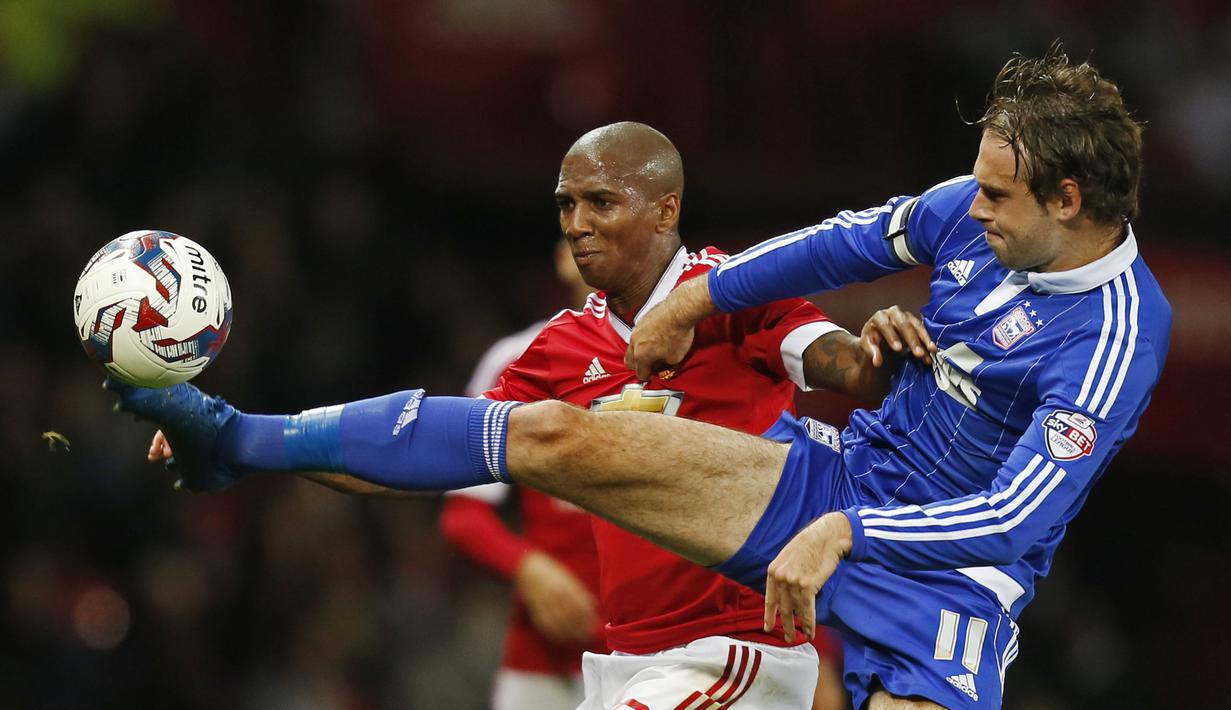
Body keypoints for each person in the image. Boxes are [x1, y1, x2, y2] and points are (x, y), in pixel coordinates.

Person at [107, 48, 1166, 709]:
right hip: (844, 477)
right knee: (558, 434)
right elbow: (838, 245)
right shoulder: (972, 213)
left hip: (947, 577)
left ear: (1069, 199)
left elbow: (1014, 507)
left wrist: (850, 533)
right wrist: (696, 301)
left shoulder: (1117, 335)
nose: (968, 210)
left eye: (994, 196)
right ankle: (230, 435)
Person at [439, 237, 607, 710]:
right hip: (543, 658)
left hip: (654, 652)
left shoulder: (675, 358)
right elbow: (464, 515)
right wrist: (528, 567)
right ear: (561, 258)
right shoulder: (516, 360)